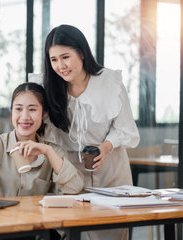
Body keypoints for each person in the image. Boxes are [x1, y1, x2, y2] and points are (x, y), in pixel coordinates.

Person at [41, 24, 140, 240]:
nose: (60, 66)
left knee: (110, 234)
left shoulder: (109, 82)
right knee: (71, 233)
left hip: (111, 172)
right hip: (70, 176)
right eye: (54, 59)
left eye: (65, 57)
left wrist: (104, 147)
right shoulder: (48, 87)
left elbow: (124, 128)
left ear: (82, 53)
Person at [0, 82, 84, 198]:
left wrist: (47, 151)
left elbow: (74, 188)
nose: (25, 117)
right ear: (12, 112)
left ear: (43, 114)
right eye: (18, 109)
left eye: (32, 109)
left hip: (34, 216)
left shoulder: (53, 152)